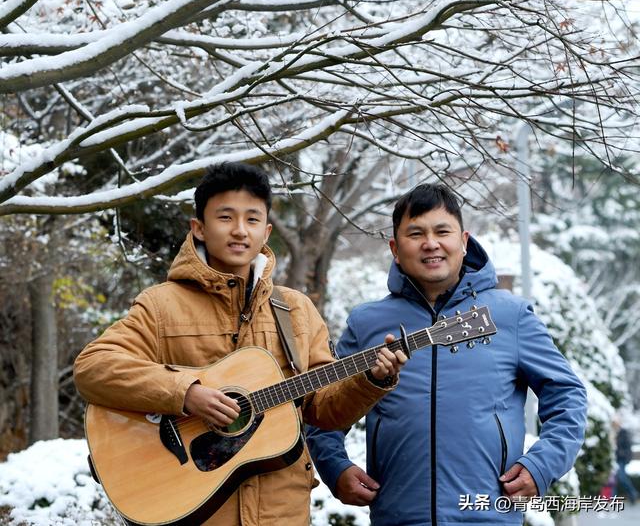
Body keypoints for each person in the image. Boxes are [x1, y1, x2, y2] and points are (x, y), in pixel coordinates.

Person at [74, 161, 406, 526]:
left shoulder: (296, 310)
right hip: (193, 510)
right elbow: (93, 366)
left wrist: (371, 381)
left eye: (251, 219)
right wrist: (186, 392)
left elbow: (324, 411)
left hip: (281, 513)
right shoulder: (161, 305)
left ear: (266, 231)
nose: (239, 231)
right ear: (199, 228)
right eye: (225, 217)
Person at [306, 182, 588, 525]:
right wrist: (336, 468)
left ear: (464, 241)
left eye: (443, 231)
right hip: (398, 515)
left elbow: (568, 395)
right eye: (416, 233)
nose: (431, 244)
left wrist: (541, 465)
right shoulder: (366, 323)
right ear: (395, 248)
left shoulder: (510, 315)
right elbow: (322, 408)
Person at [614, 419, 638, 504]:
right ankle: (614, 497)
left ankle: (633, 493)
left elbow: (627, 446)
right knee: (616, 477)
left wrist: (621, 453)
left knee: (622, 477)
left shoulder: (623, 432)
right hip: (616, 459)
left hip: (622, 458)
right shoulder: (615, 433)